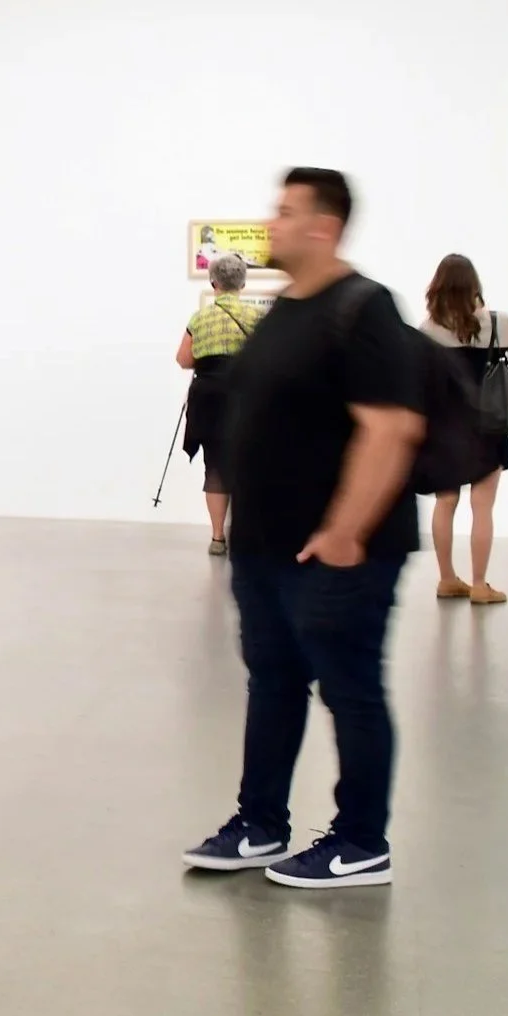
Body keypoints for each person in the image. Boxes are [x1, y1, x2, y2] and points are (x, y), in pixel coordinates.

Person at [182, 168, 424, 889]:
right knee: (274, 684)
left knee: (350, 690)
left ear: (325, 226)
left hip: (340, 552)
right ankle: (260, 823)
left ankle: (361, 841)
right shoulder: (285, 306)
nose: (271, 224)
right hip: (266, 547)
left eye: (284, 212)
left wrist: (346, 532)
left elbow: (391, 429)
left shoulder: (364, 307)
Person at [420, 254, 508, 605]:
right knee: (483, 508)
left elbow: (422, 382)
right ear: (474, 286)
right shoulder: (499, 324)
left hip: (445, 426)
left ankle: (447, 579)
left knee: (446, 502)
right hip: (489, 424)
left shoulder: (428, 329)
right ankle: (481, 584)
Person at [178, 253, 265, 555]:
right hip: (245, 397)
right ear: (243, 282)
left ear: (213, 282)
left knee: (214, 466)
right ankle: (248, 535)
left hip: (209, 398)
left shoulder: (199, 318)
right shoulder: (257, 318)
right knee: (251, 463)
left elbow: (183, 359)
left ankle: (218, 538)